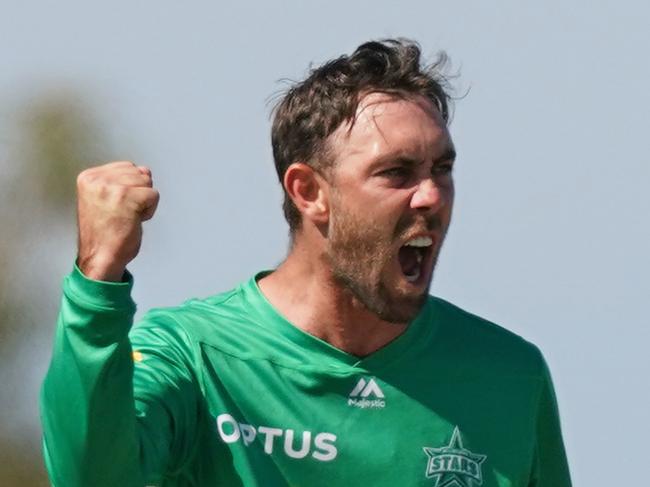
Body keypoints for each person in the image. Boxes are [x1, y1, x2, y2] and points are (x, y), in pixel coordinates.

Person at [40, 39, 572, 487]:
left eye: (443, 168)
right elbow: (89, 477)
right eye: (398, 172)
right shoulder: (192, 357)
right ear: (309, 191)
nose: (431, 195)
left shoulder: (509, 375)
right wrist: (98, 280)